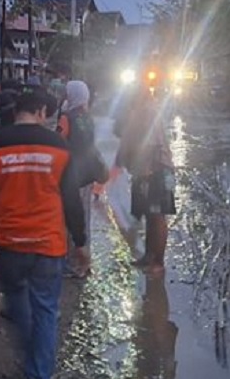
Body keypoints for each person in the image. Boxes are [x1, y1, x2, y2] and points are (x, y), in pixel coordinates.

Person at [0, 90, 88, 379]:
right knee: (46, 312)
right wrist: (81, 242)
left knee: (20, 308)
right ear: (37, 111)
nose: (48, 119)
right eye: (46, 113)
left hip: (9, 244)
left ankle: (33, 367)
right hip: (49, 244)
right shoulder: (58, 147)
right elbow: (72, 200)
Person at [117, 86, 175, 274]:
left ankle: (158, 262)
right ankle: (149, 256)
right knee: (150, 215)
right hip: (145, 170)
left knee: (157, 216)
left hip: (156, 170)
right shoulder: (138, 112)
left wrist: (145, 171)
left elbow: (151, 144)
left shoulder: (147, 112)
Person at [57, 81, 108, 276]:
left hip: (71, 174)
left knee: (71, 216)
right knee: (84, 217)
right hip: (88, 174)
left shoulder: (66, 118)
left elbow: (58, 141)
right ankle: (85, 261)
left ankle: (73, 262)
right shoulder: (87, 117)